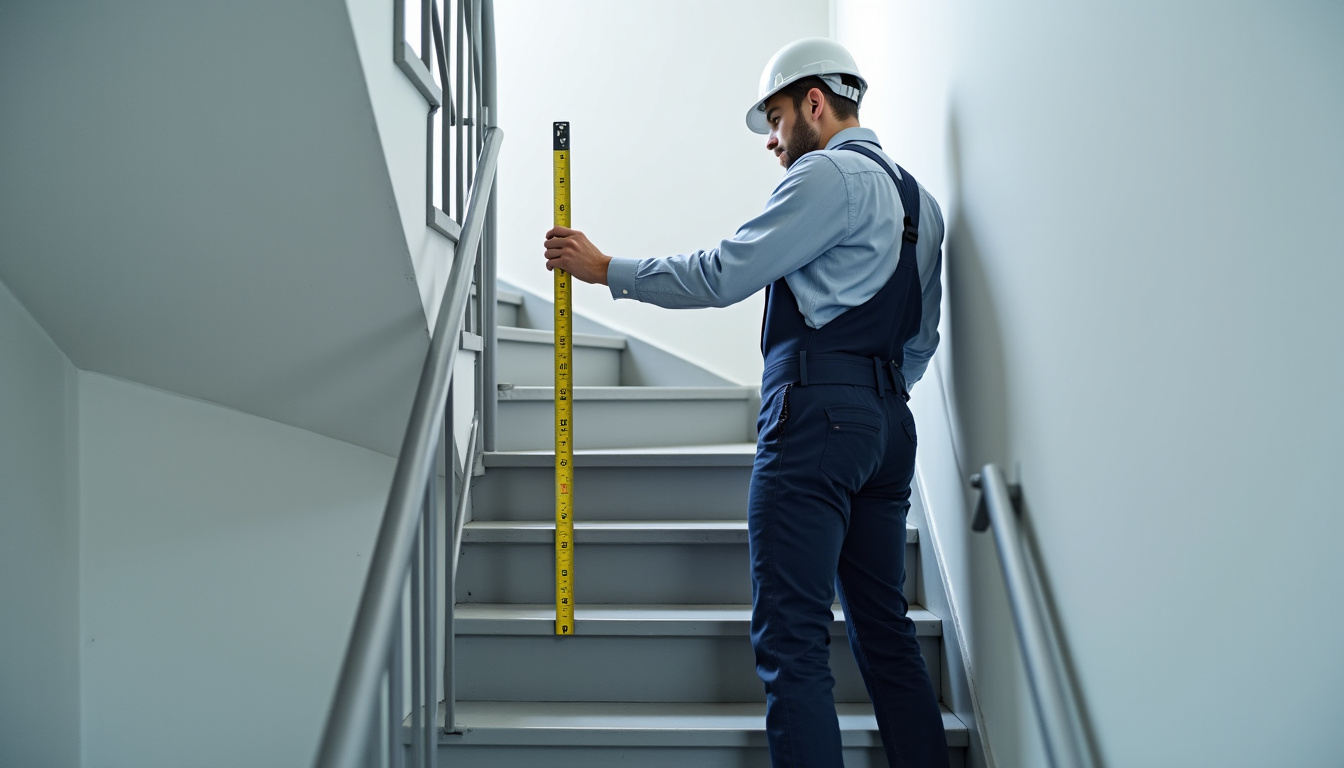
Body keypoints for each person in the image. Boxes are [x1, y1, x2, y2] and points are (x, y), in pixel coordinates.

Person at [543, 37, 948, 768]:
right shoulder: (923, 203)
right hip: (889, 429)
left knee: (792, 639)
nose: (771, 140)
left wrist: (607, 269)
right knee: (885, 633)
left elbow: (725, 272)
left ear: (815, 105)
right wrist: (872, 397)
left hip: (815, 416)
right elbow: (922, 338)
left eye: (776, 117)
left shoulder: (823, 176)